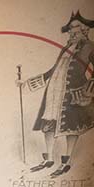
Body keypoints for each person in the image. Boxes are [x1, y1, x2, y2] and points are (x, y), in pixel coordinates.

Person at [20, 12, 94, 177]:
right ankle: (49, 159)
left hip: (72, 92)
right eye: (69, 29)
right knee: (49, 123)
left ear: (84, 29)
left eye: (74, 27)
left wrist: (88, 89)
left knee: (71, 126)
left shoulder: (90, 46)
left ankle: (66, 161)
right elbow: (55, 70)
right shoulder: (66, 48)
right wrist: (28, 83)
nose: (71, 31)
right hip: (54, 91)